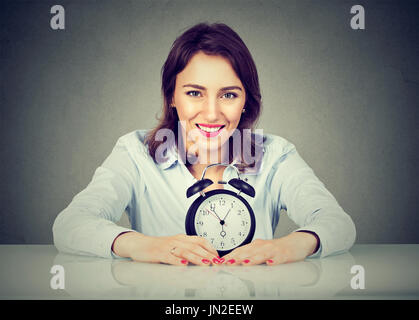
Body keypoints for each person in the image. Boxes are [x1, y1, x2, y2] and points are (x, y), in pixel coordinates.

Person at [53, 22, 356, 266]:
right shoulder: (136, 152)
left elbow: (338, 224)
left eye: (228, 95)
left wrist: (291, 245)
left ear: (245, 101)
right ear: (172, 96)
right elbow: (70, 225)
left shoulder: (274, 155)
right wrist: (146, 246)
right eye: (195, 93)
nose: (211, 113)